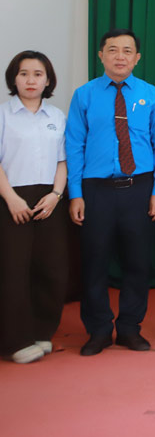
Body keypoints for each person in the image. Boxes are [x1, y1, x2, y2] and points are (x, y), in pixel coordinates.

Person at [66, 29, 155, 356]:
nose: (120, 56)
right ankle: (98, 330)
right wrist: (75, 193)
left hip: (138, 189)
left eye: (127, 51)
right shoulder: (84, 95)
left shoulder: (151, 95)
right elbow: (73, 145)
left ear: (138, 57)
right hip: (95, 191)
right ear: (101, 55)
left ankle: (129, 328)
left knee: (138, 263)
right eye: (113, 50)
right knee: (94, 262)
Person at [0, 51, 68, 364]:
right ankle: (16, 339)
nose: (31, 80)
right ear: (14, 78)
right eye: (24, 73)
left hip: (49, 199)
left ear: (48, 79)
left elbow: (63, 161)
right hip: (10, 198)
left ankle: (42, 331)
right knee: (13, 271)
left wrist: (56, 194)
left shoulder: (56, 116)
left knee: (51, 269)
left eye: (38, 74)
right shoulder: (3, 115)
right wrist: (12, 198)